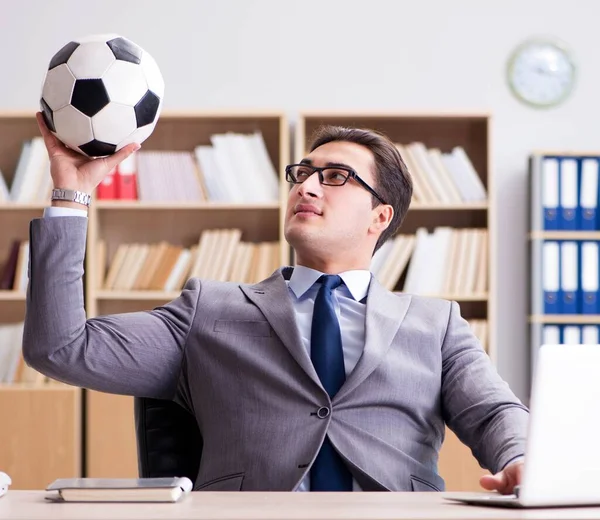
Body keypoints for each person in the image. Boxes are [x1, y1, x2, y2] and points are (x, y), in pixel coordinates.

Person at [23, 112, 528, 493]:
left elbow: (493, 413)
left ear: (380, 217)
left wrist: (525, 460)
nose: (306, 186)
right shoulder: (209, 310)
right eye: (302, 173)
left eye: (335, 177)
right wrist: (72, 194)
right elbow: (61, 347)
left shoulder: (435, 324)